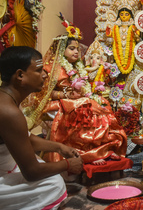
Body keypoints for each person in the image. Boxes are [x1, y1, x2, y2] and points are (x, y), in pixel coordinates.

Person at [22, 19, 127, 166]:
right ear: (61, 49)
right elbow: (43, 94)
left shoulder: (77, 66)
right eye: (72, 48)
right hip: (55, 103)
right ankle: (86, 153)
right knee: (85, 105)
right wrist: (65, 95)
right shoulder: (51, 68)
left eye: (77, 49)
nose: (77, 51)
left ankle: (101, 148)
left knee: (102, 102)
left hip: (75, 101)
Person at [0, 46, 83, 210]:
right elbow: (32, 172)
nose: (45, 75)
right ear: (20, 75)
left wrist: (59, 147)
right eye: (39, 70)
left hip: (6, 165)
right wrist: (68, 165)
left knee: (45, 169)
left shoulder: (7, 99)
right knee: (53, 184)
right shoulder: (8, 111)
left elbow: (25, 137)